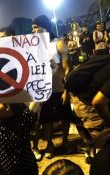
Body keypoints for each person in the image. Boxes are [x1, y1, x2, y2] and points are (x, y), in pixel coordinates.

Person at [31, 15, 72, 159]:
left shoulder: (58, 43)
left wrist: (66, 88)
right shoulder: (33, 46)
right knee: (46, 118)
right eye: (32, 28)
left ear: (45, 27)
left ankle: (65, 141)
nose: (33, 30)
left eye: (36, 27)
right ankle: (49, 144)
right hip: (44, 89)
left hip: (60, 87)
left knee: (65, 115)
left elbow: (67, 66)